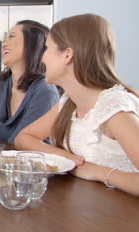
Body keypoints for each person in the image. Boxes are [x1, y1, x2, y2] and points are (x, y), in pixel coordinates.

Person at [15, 14, 139, 196]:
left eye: (47, 49)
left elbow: (92, 172)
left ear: (67, 54)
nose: (42, 59)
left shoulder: (115, 109)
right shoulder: (69, 103)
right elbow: (23, 138)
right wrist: (63, 156)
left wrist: (97, 172)